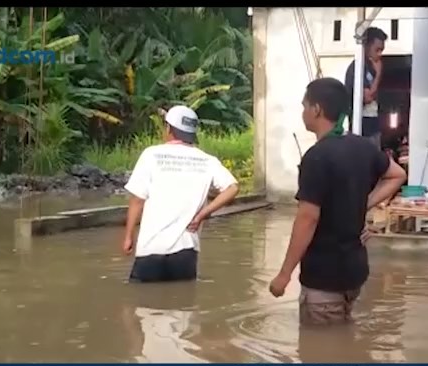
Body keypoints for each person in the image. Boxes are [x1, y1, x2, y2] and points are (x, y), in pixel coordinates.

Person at [268, 77, 407, 325]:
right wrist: (363, 203)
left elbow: (307, 219)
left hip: (324, 278)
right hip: (354, 274)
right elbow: (398, 175)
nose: (303, 112)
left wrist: (284, 275)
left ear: (316, 109)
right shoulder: (363, 147)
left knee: (320, 347)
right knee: (342, 337)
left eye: (304, 106)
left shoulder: (316, 157)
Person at [122, 105, 239, 282]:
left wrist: (128, 237)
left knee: (142, 297)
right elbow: (233, 188)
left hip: (151, 248)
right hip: (186, 251)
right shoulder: (207, 160)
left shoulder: (151, 155)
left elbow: (137, 200)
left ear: (169, 128)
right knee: (184, 298)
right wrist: (202, 215)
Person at [344, 26, 387, 149]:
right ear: (367, 46)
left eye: (382, 50)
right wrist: (378, 74)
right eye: (377, 50)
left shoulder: (371, 67)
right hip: (362, 127)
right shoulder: (357, 68)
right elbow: (367, 97)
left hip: (373, 126)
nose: (379, 54)